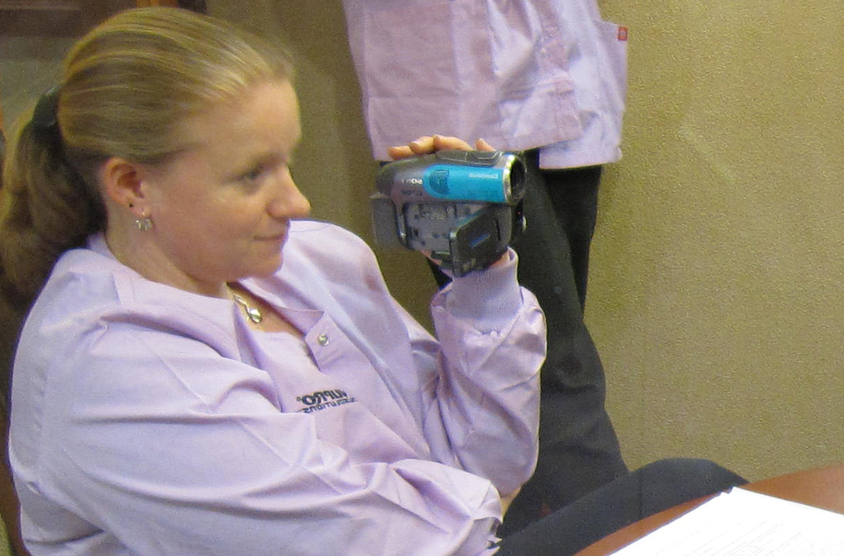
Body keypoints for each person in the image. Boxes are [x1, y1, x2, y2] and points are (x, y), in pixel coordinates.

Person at [0, 8, 745, 556]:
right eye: (250, 175)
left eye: (286, 162)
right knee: (683, 495)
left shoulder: (314, 261)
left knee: (690, 495)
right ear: (132, 187)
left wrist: (478, 277)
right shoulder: (107, 366)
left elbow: (486, 463)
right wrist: (480, 502)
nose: (294, 201)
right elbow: (377, 540)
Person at [340, 0, 631, 534]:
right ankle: (621, 539)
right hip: (449, 89)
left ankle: (536, 535)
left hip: (562, 71)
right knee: (557, 374)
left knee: (545, 366)